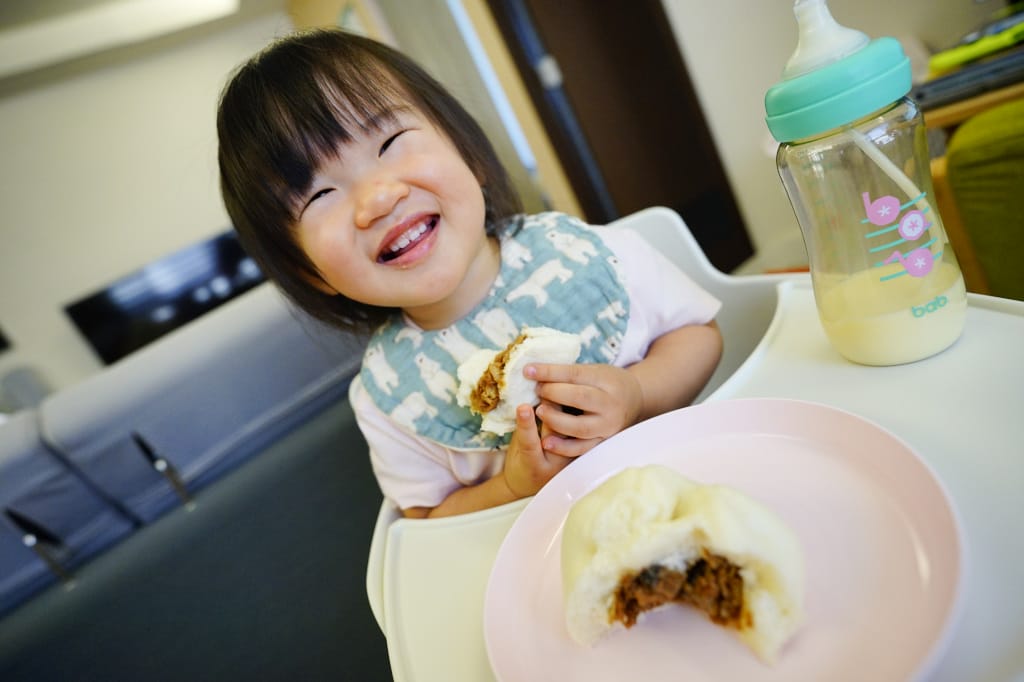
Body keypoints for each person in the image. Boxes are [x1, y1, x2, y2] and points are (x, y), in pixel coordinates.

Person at [217, 28, 723, 519]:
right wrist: (511, 486)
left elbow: (700, 336)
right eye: (320, 195)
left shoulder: (581, 251)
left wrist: (637, 394)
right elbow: (427, 515)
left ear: (469, 153)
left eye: (390, 141)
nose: (377, 199)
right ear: (311, 273)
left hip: (704, 485)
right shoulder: (386, 399)